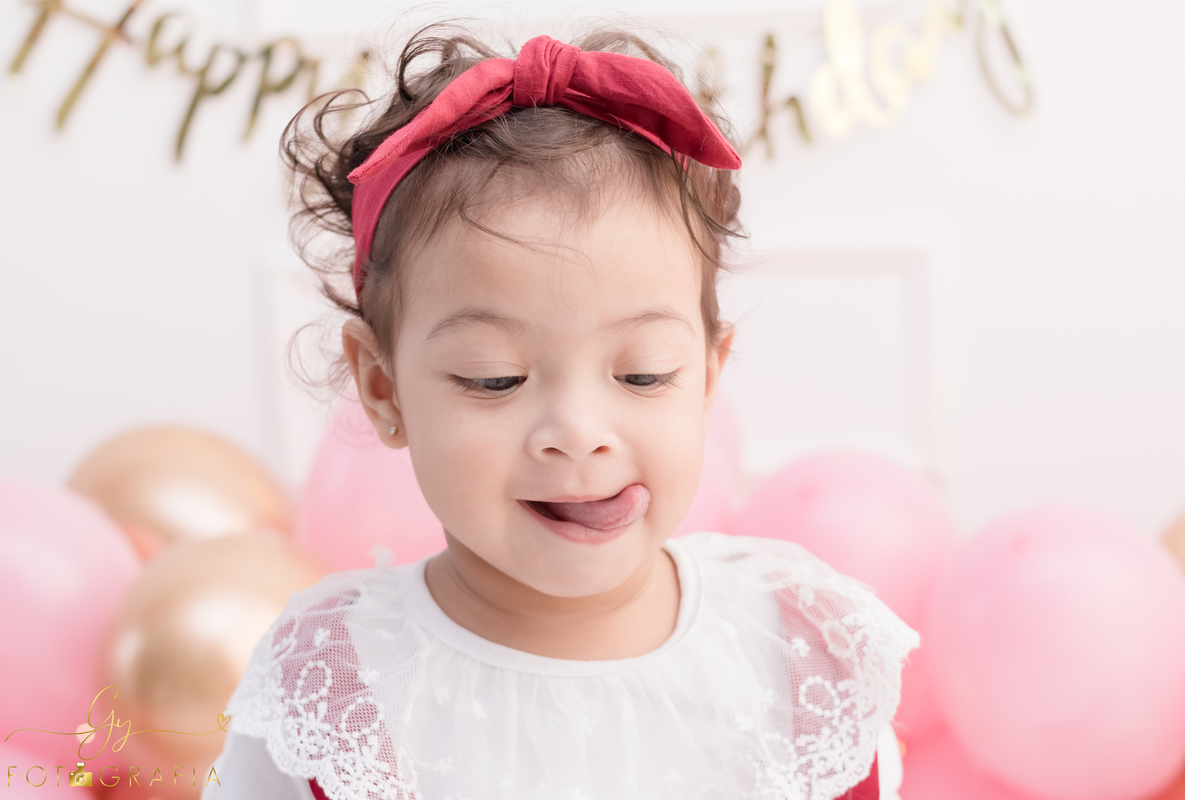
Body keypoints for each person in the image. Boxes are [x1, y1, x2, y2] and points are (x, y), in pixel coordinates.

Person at [203, 25, 918, 800]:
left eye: (643, 375)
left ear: (708, 374)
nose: (578, 432)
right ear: (383, 389)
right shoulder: (342, 683)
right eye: (497, 379)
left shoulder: (794, 655)